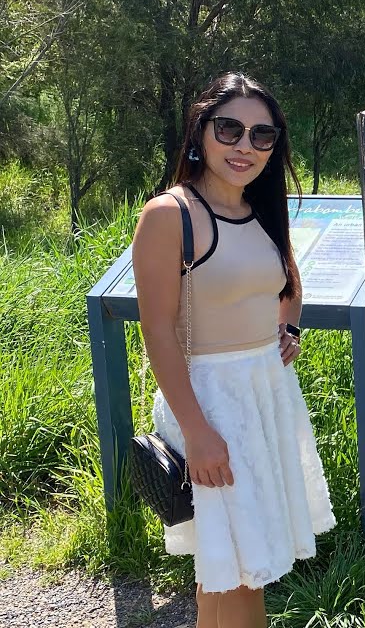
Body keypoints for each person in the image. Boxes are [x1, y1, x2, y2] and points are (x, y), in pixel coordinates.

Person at [131, 72, 336, 628]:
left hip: (266, 395)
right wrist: (196, 431)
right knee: (244, 567)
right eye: (230, 129)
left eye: (262, 135)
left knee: (227, 566)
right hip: (209, 401)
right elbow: (158, 331)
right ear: (201, 131)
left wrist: (288, 331)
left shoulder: (259, 209)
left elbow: (287, 283)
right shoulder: (169, 215)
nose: (245, 145)